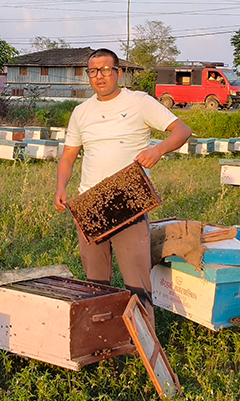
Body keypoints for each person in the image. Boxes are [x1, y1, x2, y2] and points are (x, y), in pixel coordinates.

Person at [54, 48, 191, 329]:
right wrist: (61, 186)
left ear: (118, 72)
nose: (99, 76)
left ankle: (144, 342)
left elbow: (182, 130)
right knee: (95, 282)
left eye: (105, 70)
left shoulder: (139, 102)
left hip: (129, 198)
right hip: (90, 202)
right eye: (93, 71)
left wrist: (159, 150)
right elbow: (68, 156)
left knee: (137, 280)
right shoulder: (81, 112)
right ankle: (103, 340)